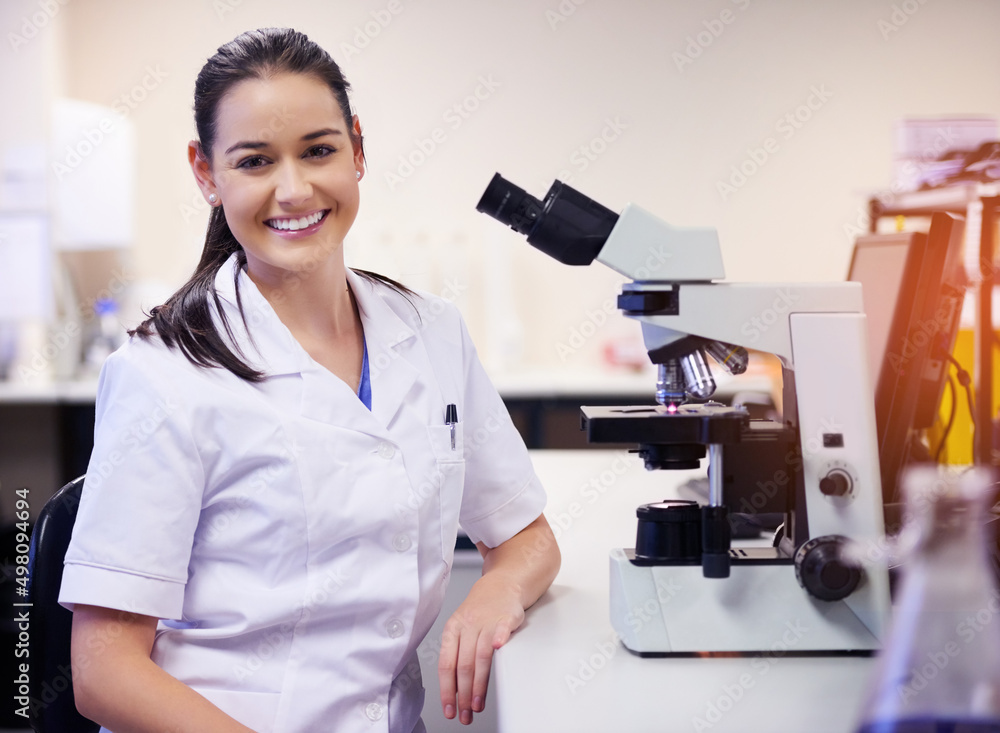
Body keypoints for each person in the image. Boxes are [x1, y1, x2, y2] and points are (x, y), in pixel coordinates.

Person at [58, 27, 560, 733]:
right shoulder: (160, 374)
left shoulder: (432, 332)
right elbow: (105, 671)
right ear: (207, 172)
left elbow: (527, 536)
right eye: (255, 161)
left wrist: (496, 592)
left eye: (319, 150)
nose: (293, 189)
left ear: (358, 148)